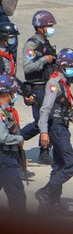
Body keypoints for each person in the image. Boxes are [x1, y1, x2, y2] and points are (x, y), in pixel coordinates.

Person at [35, 48, 73, 216]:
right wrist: (43, 132)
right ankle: (45, 192)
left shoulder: (63, 82)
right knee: (71, 165)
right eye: (71, 65)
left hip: (62, 126)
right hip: (56, 128)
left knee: (59, 166)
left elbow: (61, 106)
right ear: (63, 66)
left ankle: (53, 204)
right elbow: (45, 109)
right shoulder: (55, 83)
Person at [20, 11, 59, 165]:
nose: (51, 29)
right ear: (40, 27)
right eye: (49, 26)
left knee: (49, 119)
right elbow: (28, 67)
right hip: (37, 88)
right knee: (40, 121)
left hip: (47, 86)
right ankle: (15, 140)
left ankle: (44, 152)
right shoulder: (32, 45)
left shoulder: (46, 43)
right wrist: (45, 59)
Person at [0, 74, 25, 213]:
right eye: (13, 92)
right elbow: (2, 137)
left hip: (6, 156)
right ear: (5, 93)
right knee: (17, 196)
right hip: (5, 157)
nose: (14, 95)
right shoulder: (1, 111)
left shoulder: (5, 110)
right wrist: (19, 140)